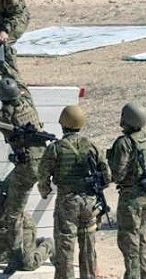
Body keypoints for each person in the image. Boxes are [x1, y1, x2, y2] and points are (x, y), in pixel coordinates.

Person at [0, 78, 47, 274]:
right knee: (5, 189)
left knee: (13, 216)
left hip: (26, 169)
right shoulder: (28, 104)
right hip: (42, 163)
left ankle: (15, 259)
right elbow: (23, 85)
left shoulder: (4, 116)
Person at [37, 105, 111, 279]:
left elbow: (42, 174)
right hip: (89, 203)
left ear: (62, 124)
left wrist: (45, 191)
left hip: (67, 202)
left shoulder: (56, 148)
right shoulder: (91, 145)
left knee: (65, 247)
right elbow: (107, 176)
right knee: (88, 247)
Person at [107, 102, 146, 279]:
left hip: (130, 198)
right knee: (140, 238)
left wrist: (109, 164)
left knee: (128, 241)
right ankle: (144, 274)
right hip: (145, 195)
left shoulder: (124, 143)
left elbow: (118, 174)